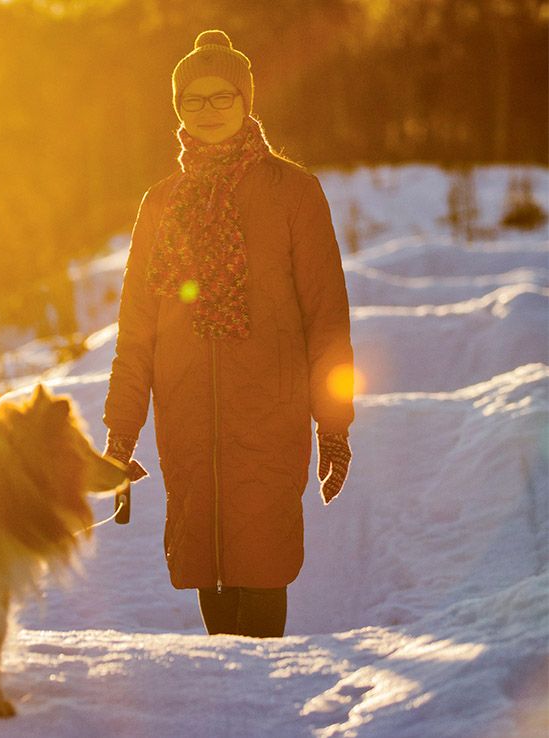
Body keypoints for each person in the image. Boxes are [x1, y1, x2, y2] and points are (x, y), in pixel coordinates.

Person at [102, 30, 354, 638]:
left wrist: (334, 423)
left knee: (263, 563)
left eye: (222, 98)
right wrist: (120, 434)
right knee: (206, 565)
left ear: (246, 102)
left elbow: (326, 314)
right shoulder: (161, 203)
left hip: (271, 409)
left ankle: (265, 710)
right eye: (194, 100)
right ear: (178, 111)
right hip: (185, 413)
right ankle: (229, 704)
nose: (208, 111)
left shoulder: (292, 191)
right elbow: (137, 330)